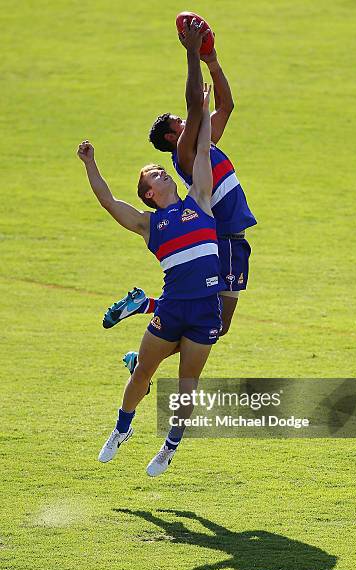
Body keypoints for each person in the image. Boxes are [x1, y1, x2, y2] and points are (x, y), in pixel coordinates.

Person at [77, 82, 223, 477]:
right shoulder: (149, 225)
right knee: (142, 370)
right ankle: (120, 430)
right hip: (173, 308)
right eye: (157, 174)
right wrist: (90, 162)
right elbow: (109, 202)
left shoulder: (201, 200)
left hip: (206, 310)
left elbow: (204, 152)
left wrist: (204, 114)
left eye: (160, 169)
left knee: (187, 383)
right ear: (149, 193)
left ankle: (169, 448)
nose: (164, 172)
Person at [103, 17, 256, 342]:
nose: (185, 118)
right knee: (214, 324)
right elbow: (194, 106)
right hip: (225, 237)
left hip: (233, 238)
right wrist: (191, 55)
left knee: (213, 323)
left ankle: (145, 307)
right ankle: (148, 343)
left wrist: (211, 61)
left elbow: (226, 106)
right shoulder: (186, 152)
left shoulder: (203, 142)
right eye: (179, 120)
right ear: (173, 136)